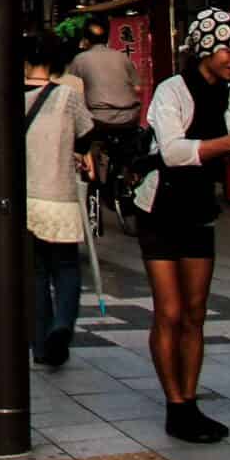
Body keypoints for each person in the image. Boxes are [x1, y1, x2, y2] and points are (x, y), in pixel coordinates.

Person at [136, 6, 230, 444]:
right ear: (205, 48)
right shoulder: (172, 91)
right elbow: (172, 151)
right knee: (168, 311)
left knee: (195, 312)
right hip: (160, 207)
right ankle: (175, 404)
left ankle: (191, 399)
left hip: (200, 207)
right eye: (228, 48)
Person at [25, 31, 95, 367]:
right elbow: (86, 138)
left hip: (23, 199)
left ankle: (40, 345)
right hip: (60, 195)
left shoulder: (9, 98)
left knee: (35, 272)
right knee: (66, 267)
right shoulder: (67, 97)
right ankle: (63, 324)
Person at [70, 19, 147, 174]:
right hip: (129, 118)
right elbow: (138, 87)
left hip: (97, 120)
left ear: (85, 39)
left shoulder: (80, 60)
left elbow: (70, 89)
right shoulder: (122, 57)